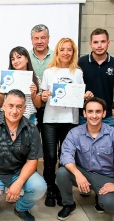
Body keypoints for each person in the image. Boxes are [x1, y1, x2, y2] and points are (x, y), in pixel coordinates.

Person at [56, 97, 114, 220]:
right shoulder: (75, 132)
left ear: (104, 113)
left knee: (110, 206)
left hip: (105, 175)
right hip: (83, 172)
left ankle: (99, 199)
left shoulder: (113, 134)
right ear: (84, 113)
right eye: (90, 111)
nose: (94, 116)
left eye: (98, 112)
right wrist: (78, 175)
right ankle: (69, 204)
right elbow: (65, 156)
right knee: (62, 172)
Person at [0, 89, 46, 221]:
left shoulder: (31, 128)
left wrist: (18, 183)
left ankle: (21, 207)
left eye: (19, 107)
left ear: (24, 108)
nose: (14, 111)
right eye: (10, 106)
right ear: (4, 106)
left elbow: (32, 160)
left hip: (18, 171)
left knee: (39, 187)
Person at [40, 37, 92, 207]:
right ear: (57, 52)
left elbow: (80, 96)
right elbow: (42, 96)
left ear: (73, 52)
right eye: (62, 49)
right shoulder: (49, 72)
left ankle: (63, 190)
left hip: (70, 120)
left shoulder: (77, 73)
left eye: (69, 49)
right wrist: (44, 95)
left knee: (66, 157)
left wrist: (86, 96)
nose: (66, 53)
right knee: (50, 157)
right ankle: (50, 189)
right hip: (50, 120)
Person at [78, 28, 114, 130]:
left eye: (103, 42)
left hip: (106, 116)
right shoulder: (81, 63)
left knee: (107, 145)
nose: (99, 46)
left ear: (108, 43)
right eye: (95, 42)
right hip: (84, 116)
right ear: (90, 44)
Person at [0, 46, 42, 124]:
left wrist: (34, 95)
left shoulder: (36, 79)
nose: (16, 61)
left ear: (27, 59)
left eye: (19, 57)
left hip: (28, 118)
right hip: (8, 117)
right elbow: (1, 102)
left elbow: (38, 105)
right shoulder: (6, 78)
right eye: (13, 59)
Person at [29, 24, 53, 132]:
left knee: (48, 144)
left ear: (48, 39)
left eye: (43, 38)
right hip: (30, 107)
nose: (39, 41)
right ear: (31, 40)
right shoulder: (25, 57)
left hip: (51, 106)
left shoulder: (57, 57)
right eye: (36, 38)